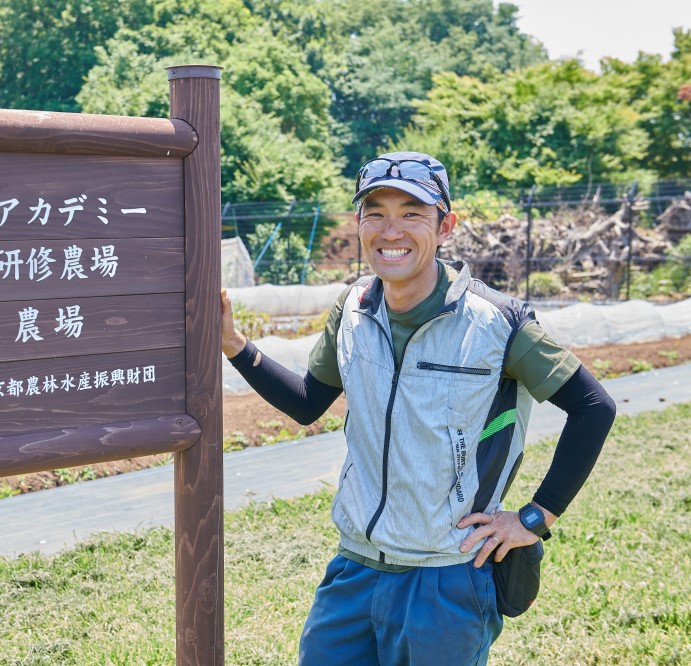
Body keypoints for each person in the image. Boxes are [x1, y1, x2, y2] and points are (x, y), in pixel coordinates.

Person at [220, 151, 617, 665]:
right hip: (355, 569)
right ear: (359, 223)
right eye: (376, 211)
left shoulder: (497, 323)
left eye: (412, 213)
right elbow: (306, 403)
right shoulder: (352, 310)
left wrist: (534, 518)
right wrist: (234, 345)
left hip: (446, 578)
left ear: (444, 225)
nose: (392, 230)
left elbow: (593, 407)